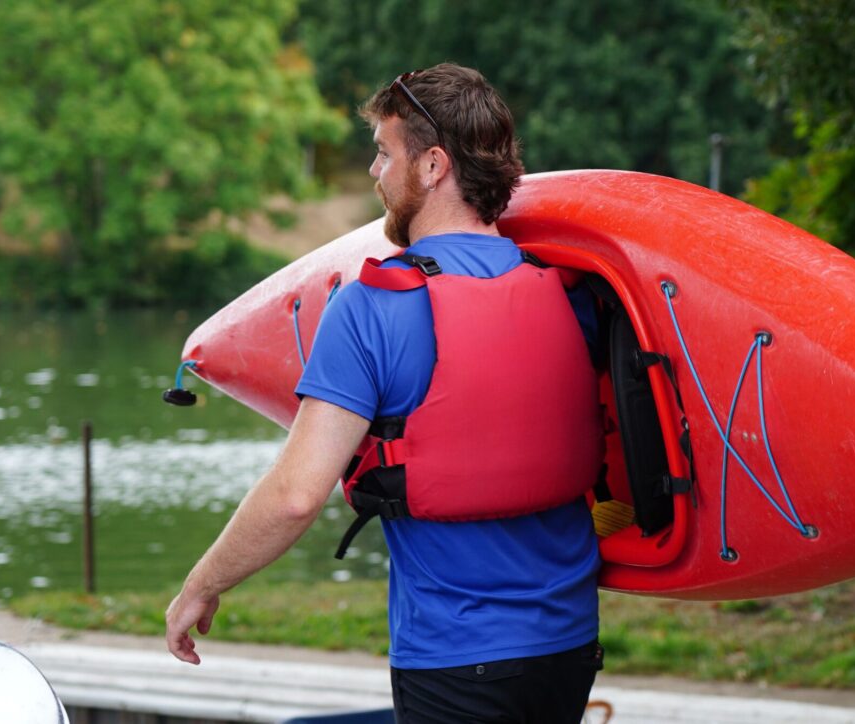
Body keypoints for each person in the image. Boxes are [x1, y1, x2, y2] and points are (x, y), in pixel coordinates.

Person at [165, 63, 604, 723]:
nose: (373, 172)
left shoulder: (373, 305)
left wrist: (201, 585)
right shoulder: (567, 292)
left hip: (455, 660)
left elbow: (294, 496)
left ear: (431, 166)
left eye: (382, 152)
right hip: (569, 648)